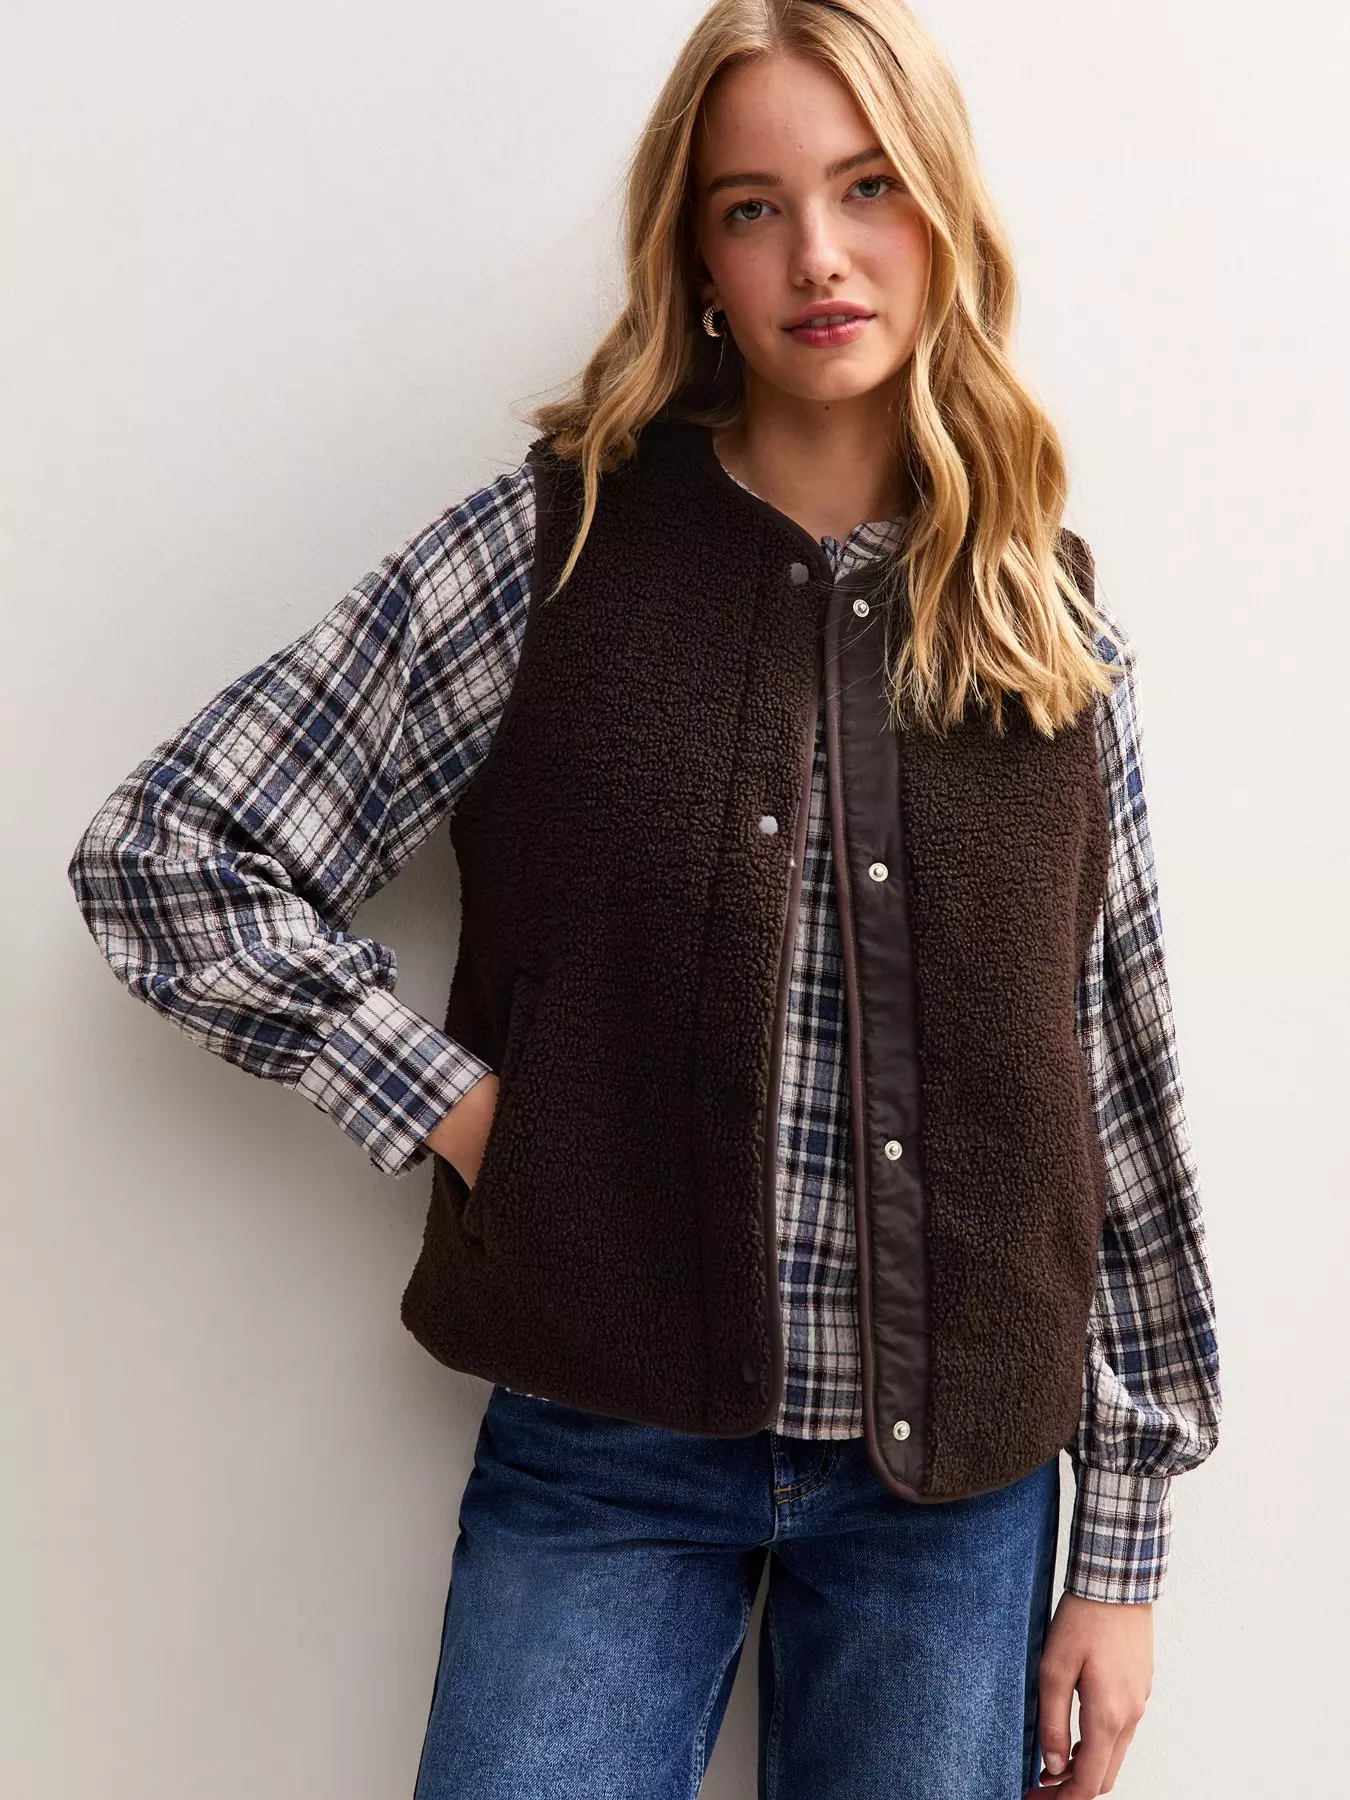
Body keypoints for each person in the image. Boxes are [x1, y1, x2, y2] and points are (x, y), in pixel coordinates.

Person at [66, 3, 1221, 1796]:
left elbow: (1111, 1078)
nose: (817, 254)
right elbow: (168, 852)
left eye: (867, 188)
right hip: (601, 1451)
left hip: (955, 1497)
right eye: (752, 206)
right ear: (694, 259)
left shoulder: (1040, 619)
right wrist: (472, 1115)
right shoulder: (553, 553)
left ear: (944, 214)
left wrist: (1121, 1554)